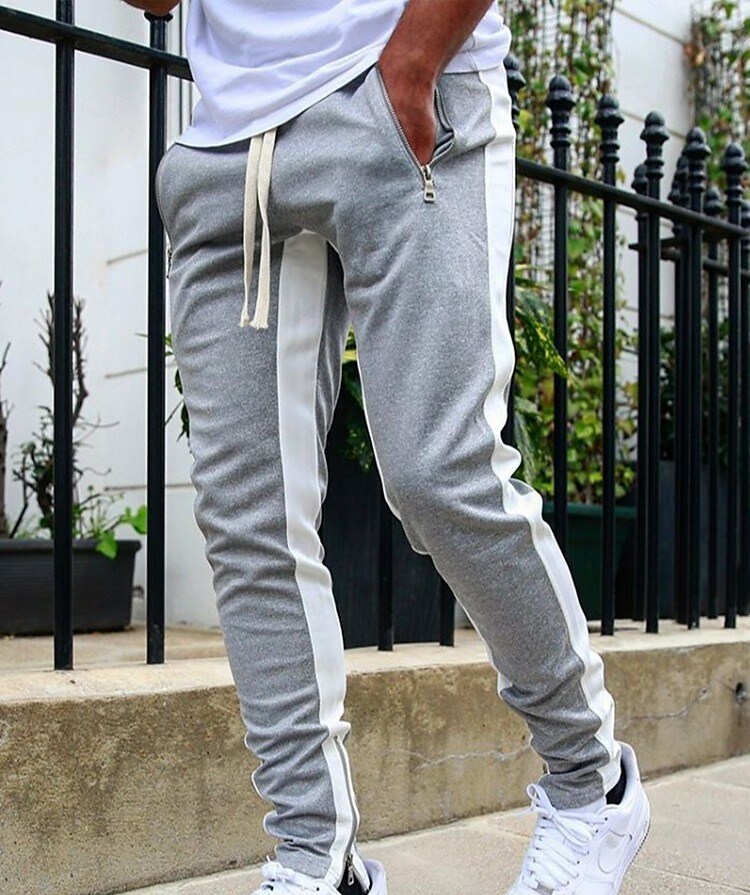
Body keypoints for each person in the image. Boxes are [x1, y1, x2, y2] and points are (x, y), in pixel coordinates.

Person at [126, 1, 651, 893]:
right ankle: (315, 856)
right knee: (248, 522)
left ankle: (591, 786)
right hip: (225, 148)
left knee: (441, 473)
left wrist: (413, 65)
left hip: (397, 84)